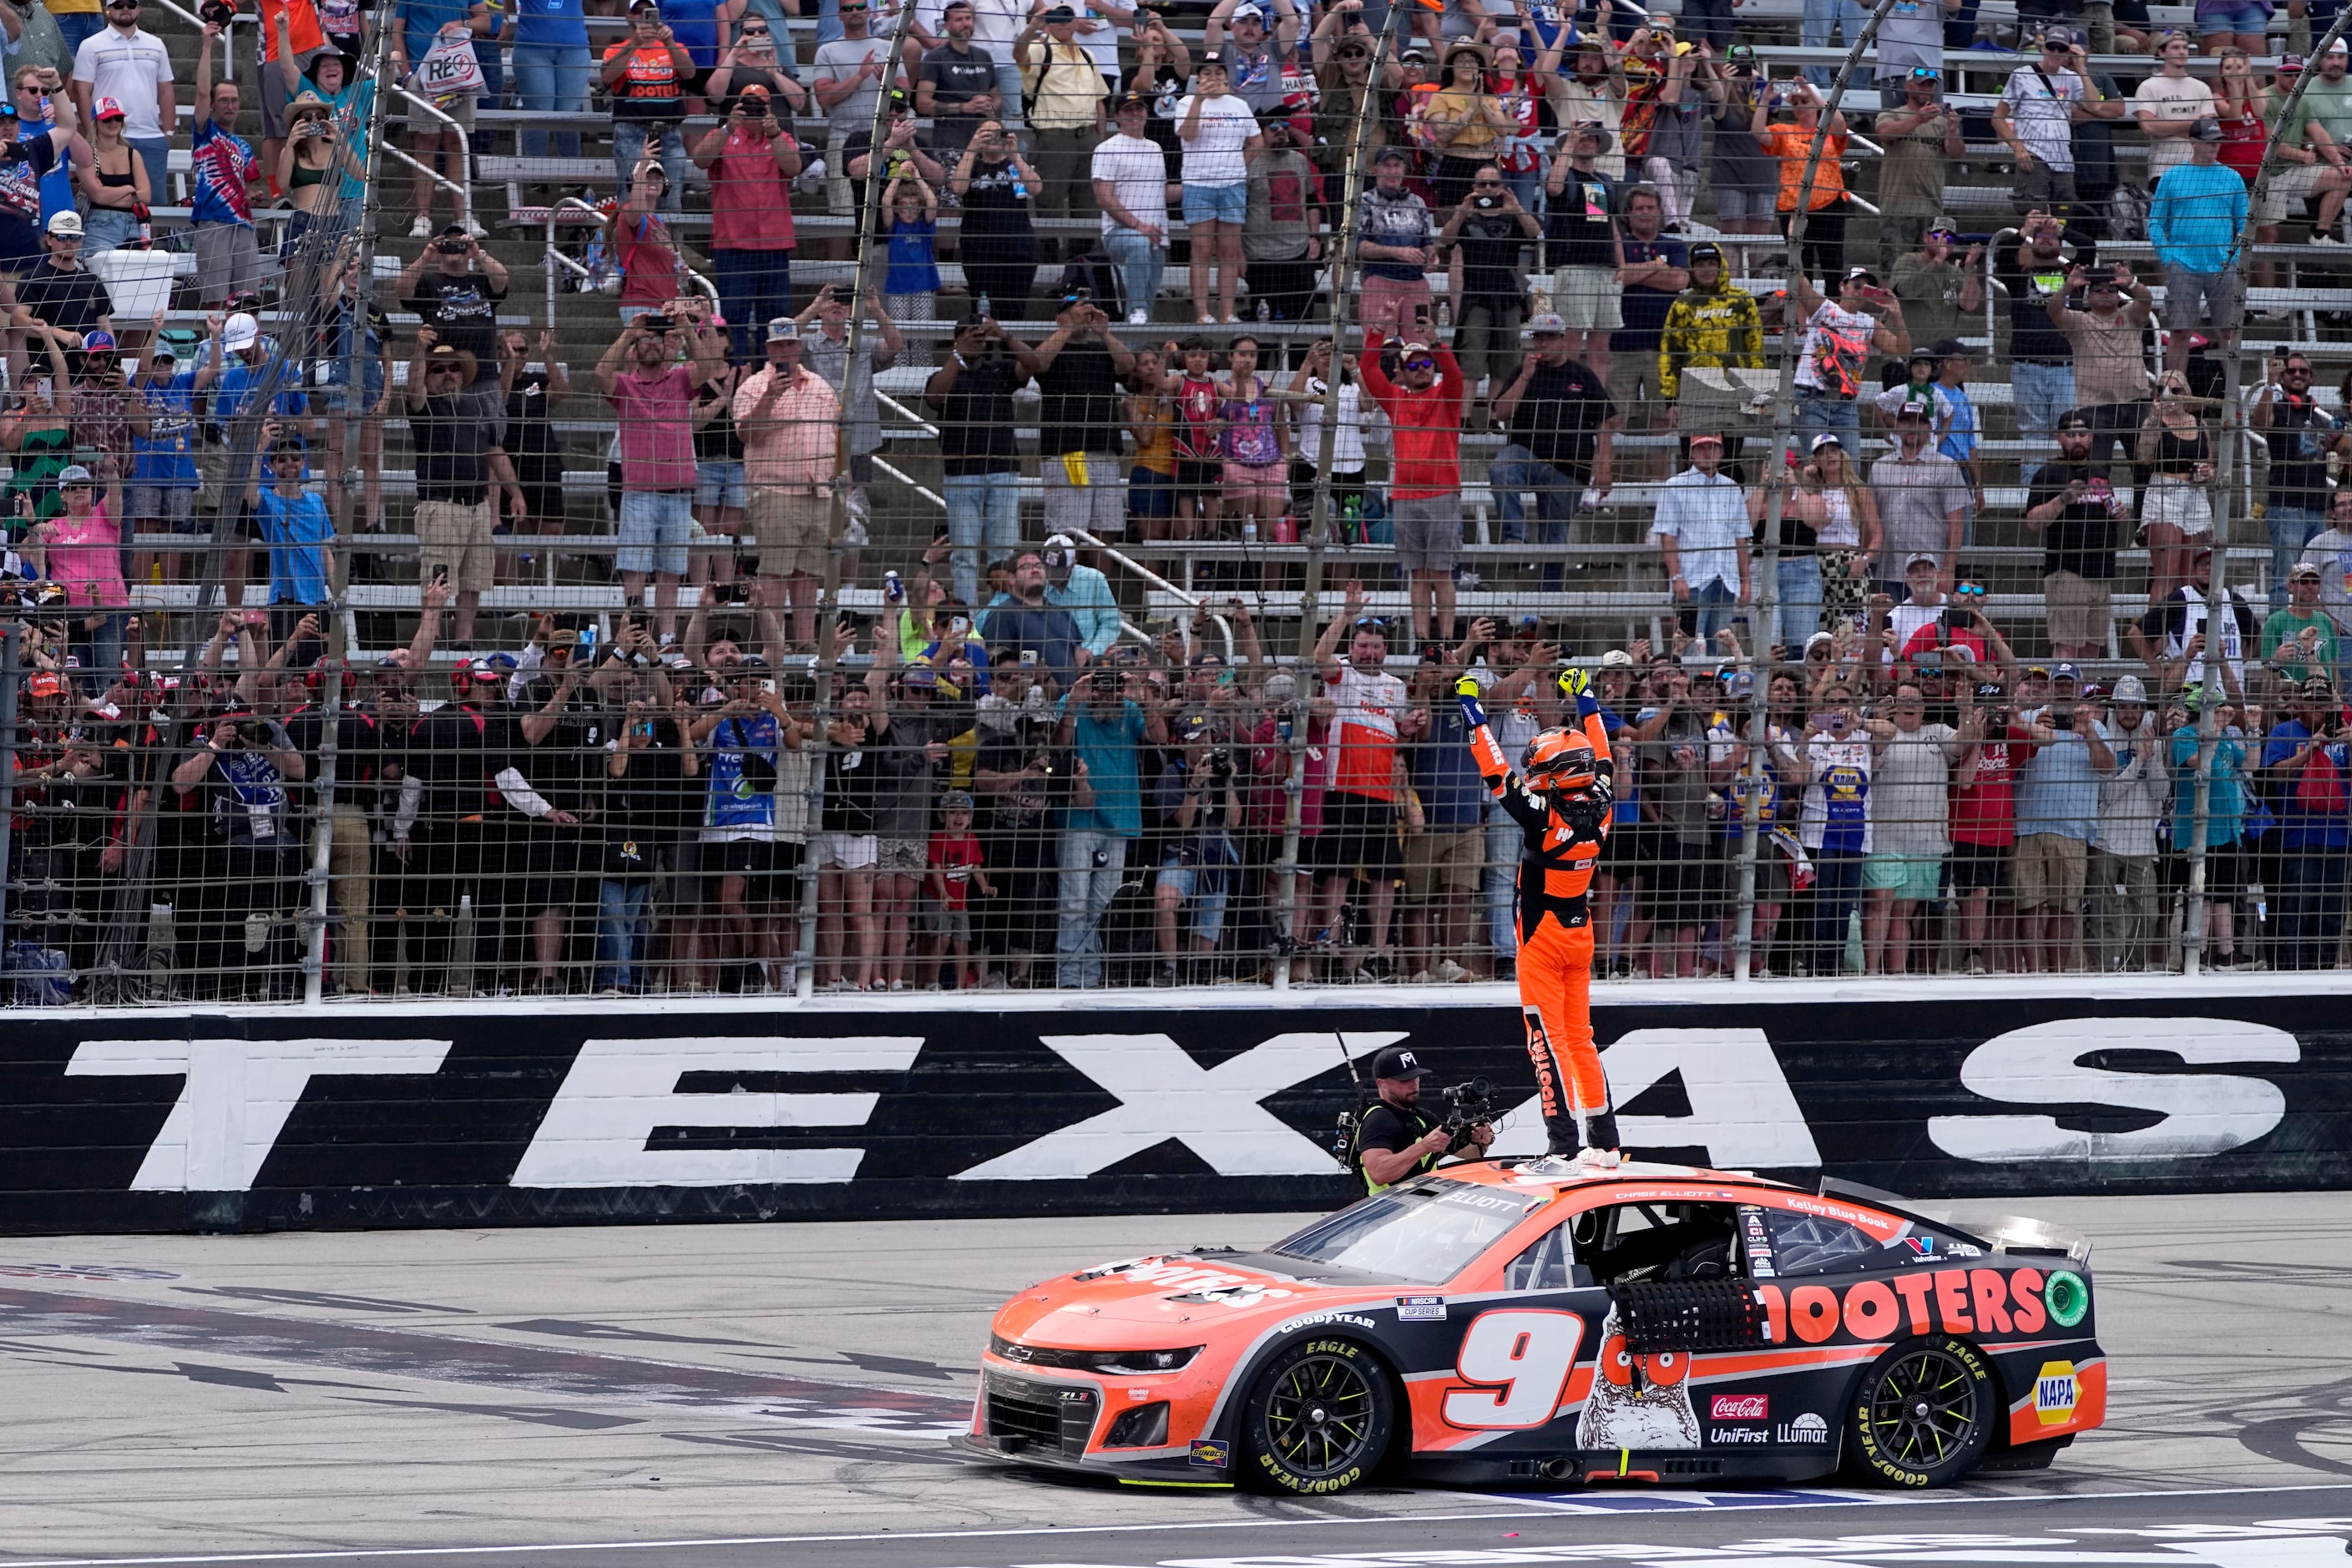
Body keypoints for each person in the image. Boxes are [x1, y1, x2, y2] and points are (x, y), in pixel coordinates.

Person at [1458, 664, 1616, 1165]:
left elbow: (1496, 772)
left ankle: (1563, 1145)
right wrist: (1586, 697)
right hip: (1580, 931)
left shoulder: (1543, 816)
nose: (1533, 773)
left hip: (1541, 940)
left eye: (1540, 767)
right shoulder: (1605, 801)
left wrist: (1471, 708)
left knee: (1543, 1042)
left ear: (1558, 775)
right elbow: (1603, 752)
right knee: (1581, 1038)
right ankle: (1605, 1143)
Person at [599, 311, 728, 646]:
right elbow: (601, 373)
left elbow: (707, 365)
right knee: (635, 569)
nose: (653, 343)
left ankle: (669, 636)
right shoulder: (626, 385)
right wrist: (629, 332)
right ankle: (634, 631)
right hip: (640, 489)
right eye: (647, 338)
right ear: (636, 347)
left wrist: (686, 329)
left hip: (679, 490)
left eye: (658, 338)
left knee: (672, 569)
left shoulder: (681, 379)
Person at [1055, 660, 1169, 987]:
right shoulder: (1072, 701)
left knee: (1103, 906)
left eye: (1115, 686)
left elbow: (1159, 736)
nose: (1108, 693)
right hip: (1079, 816)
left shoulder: (1131, 707)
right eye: (1101, 685)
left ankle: (1091, 978)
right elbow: (1059, 742)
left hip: (1121, 817)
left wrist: (1143, 697)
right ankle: (1067, 978)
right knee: (1073, 901)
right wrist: (1076, 699)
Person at [733, 316, 841, 655]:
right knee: (775, 571)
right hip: (775, 490)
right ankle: (774, 643)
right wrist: (769, 397)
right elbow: (746, 434)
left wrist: (842, 478)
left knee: (808, 571)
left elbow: (836, 435)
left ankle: (806, 642)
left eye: (789, 344)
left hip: (820, 490)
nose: (784, 350)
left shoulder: (821, 387)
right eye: (777, 345)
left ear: (798, 346)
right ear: (768, 349)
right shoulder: (753, 386)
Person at [405, 336, 516, 647]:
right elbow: (413, 389)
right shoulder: (424, 406)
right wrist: (418, 351)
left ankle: (464, 638)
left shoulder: (474, 407)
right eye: (438, 369)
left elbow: (495, 448)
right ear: (428, 376)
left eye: (454, 368)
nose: (448, 373)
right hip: (441, 503)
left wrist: (515, 490)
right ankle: (432, 635)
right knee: (438, 577)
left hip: (478, 505)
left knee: (474, 578)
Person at [1359, 328, 1465, 645]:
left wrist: (1437, 343)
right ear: (1403, 374)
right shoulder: (1395, 399)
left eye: (1426, 364)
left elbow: (1457, 374)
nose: (1422, 369)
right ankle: (1422, 640)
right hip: (1404, 496)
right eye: (1414, 366)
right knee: (1417, 574)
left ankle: (1445, 639)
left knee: (1440, 573)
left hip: (1443, 493)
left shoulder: (1447, 396)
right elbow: (1368, 369)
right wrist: (1377, 332)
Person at [1491, 313, 1616, 574]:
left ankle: (1550, 607)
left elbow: (1606, 422)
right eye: (1539, 339)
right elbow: (1501, 413)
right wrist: (1525, 378)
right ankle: (1517, 538)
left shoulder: (1583, 375)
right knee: (1501, 468)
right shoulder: (1522, 371)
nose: (1543, 344)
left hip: (1569, 468)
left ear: (1563, 340)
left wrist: (1604, 467)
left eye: (1550, 338)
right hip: (1527, 454)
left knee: (1555, 540)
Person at [926, 314, 1037, 605]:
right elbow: (936, 397)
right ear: (957, 338)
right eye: (969, 336)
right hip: (961, 474)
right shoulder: (946, 373)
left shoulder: (998, 369)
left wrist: (1004, 335)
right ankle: (965, 621)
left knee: (1003, 555)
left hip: (1003, 470)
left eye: (980, 337)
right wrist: (957, 354)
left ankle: (1000, 617)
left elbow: (1034, 365)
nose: (976, 342)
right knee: (964, 554)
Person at [2013, 663, 2113, 973]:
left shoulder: (2096, 725)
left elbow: (2108, 768)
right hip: (2028, 825)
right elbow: (2010, 763)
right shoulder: (2030, 719)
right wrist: (2034, 731)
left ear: (2080, 687)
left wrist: (2090, 734)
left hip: (2073, 829)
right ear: (2051, 687)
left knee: (2064, 908)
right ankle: (2033, 972)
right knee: (2029, 906)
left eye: (2071, 684)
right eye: (2060, 683)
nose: (2065, 689)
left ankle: (2056, 972)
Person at [692, 85, 801, 362]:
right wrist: (729, 126)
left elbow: (793, 167)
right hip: (733, 246)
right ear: (737, 106)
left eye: (760, 107)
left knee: (776, 321)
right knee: (734, 320)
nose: (753, 113)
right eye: (748, 106)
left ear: (769, 109)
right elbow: (700, 158)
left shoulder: (781, 137)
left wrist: (774, 132)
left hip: (774, 245)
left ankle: (775, 384)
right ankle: (737, 385)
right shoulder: (724, 136)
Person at [1032, 292, 1136, 543]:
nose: (1084, 314)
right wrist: (1068, 328)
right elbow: (1037, 363)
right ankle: (1068, 580)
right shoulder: (1054, 348)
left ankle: (1100, 582)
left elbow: (1129, 365)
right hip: (1069, 452)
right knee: (1070, 528)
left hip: (1105, 449)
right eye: (1076, 309)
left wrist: (1104, 332)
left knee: (1107, 525)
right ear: (1060, 317)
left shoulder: (1101, 348)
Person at [2026, 411, 2127, 660]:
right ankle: (2063, 699)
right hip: (2068, 571)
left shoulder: (2101, 473)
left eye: (2082, 434)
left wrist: (2118, 513)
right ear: (2059, 438)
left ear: (2091, 438)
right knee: (2066, 647)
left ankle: (2087, 700)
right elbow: (2032, 522)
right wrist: (2062, 499)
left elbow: (2105, 509)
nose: (2078, 440)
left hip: (2101, 571)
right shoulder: (2048, 473)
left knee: (2093, 648)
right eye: (2071, 435)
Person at [2250, 354, 2348, 608]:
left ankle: (2309, 638)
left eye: (2303, 371)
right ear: (2283, 376)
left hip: (2317, 509)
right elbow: (2260, 422)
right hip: (2287, 507)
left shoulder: (2316, 417)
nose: (2297, 375)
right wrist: (2270, 382)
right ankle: (2280, 641)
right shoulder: (2278, 408)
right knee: (2285, 580)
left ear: (2311, 377)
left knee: (2314, 582)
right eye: (2292, 370)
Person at [2151, 119, 2248, 374]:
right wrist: (2168, 257)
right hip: (2183, 263)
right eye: (2208, 142)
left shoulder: (2233, 178)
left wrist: (2234, 258)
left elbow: (2245, 225)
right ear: (2193, 142)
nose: (2214, 147)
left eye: (2217, 142)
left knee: (2228, 331)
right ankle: (2175, 393)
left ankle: (2231, 395)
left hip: (2223, 263)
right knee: (2180, 331)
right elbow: (2156, 223)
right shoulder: (2172, 177)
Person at [1995, 28, 2117, 224]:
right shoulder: (2021, 75)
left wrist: (2082, 68)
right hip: (2033, 156)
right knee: (2034, 217)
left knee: (2062, 221)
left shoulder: (2072, 77)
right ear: (2043, 48)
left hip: (2063, 160)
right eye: (2052, 47)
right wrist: (2018, 148)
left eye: (2062, 48)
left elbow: (2095, 105)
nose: (2056, 53)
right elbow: (1998, 117)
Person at [1789, 265, 1910, 455]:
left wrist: (1897, 315)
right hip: (1811, 398)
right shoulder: (1824, 309)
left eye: (1866, 288)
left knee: (1851, 467)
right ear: (1842, 287)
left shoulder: (1868, 323)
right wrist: (1794, 243)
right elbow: (1799, 280)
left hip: (1845, 404)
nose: (1860, 291)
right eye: (1856, 285)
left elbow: (1902, 349)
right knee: (1816, 463)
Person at [1177, 56, 1262, 325]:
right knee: (1201, 250)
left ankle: (1228, 313)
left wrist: (1239, 165)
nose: (1212, 77)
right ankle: (1202, 312)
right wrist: (1199, 101)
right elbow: (1187, 135)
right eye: (1206, 72)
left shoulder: (1239, 105)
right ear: (1198, 78)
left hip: (1232, 185)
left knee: (1229, 251)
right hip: (1198, 184)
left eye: (1217, 71)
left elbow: (1257, 141)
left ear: (1226, 77)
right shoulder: (1185, 103)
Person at [2046, 259, 2153, 470]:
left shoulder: (2130, 314)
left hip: (2136, 403)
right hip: (2095, 407)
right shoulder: (2079, 321)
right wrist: (2068, 286)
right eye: (2097, 289)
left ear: (2118, 295)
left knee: (2144, 467)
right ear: (2089, 296)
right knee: (2097, 468)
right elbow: (2053, 311)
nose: (2104, 292)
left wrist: (2130, 282)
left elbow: (2147, 300)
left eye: (2110, 289)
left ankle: (2144, 505)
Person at [2092, 673, 2167, 973]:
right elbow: (2106, 793)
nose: (2129, 713)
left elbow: (2162, 793)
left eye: (2134, 706)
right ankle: (2103, 969)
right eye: (2123, 706)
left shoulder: (2152, 736)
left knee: (2148, 913)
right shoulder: (2103, 734)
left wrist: (2151, 759)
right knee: (2103, 911)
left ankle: (2133, 968)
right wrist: (2137, 762)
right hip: (2105, 839)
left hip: (2142, 842)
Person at [1348, 1043, 1495, 1192]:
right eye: (1404, 1080)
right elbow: (1378, 1173)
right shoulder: (1377, 1119)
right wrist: (1424, 1146)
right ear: (1382, 1084)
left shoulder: (1422, 1117)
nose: (1413, 1085)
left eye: (1416, 1077)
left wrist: (1481, 1140)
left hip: (1421, 1209)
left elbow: (1469, 1154)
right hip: (1387, 1211)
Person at [1651, 431, 1750, 642]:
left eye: (1713, 447)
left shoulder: (1732, 488)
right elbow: (1667, 536)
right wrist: (1676, 577)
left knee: (1719, 645)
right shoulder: (1674, 486)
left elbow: (1741, 537)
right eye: (1701, 448)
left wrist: (1745, 580)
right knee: (1687, 644)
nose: (1708, 453)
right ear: (1692, 453)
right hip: (1691, 581)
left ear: (1721, 452)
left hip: (1725, 580)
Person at [1656, 240, 1763, 434]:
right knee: (1696, 455)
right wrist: (1671, 402)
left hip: (1736, 390)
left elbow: (1755, 350)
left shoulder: (1743, 301)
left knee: (1731, 459)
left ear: (1721, 265)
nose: (1706, 270)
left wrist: (1758, 393)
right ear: (1692, 268)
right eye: (1700, 265)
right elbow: (1671, 356)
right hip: (1694, 392)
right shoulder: (1682, 305)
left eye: (1712, 264)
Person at [69, 0, 169, 205]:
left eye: (131, 5)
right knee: (106, 204)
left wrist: (168, 133)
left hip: (151, 137)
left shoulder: (156, 44)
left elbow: (166, 90)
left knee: (154, 208)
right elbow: (81, 92)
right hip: (109, 136)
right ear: (108, 11)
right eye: (119, 5)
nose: (125, 9)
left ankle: (150, 240)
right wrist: (91, 134)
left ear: (139, 9)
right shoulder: (91, 45)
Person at [1541, 122, 1623, 373]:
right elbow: (1553, 187)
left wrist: (1623, 265)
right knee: (1572, 344)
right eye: (1582, 137)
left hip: (1605, 270)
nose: (1587, 142)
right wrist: (1569, 142)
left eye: (1592, 138)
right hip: (1574, 268)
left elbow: (1611, 225)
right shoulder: (1565, 175)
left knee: (1601, 349)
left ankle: (1594, 405)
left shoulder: (1605, 181)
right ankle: (1568, 399)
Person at [1604, 184, 1687, 429]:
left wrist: (1632, 271)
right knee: (1613, 420)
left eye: (1650, 207)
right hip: (1620, 346)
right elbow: (1616, 280)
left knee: (1661, 422)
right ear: (1628, 214)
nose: (1645, 212)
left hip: (1663, 348)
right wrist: (1657, 266)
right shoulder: (1618, 245)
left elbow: (1680, 281)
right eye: (1639, 208)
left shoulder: (1676, 246)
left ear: (1660, 212)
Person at [1869, 397, 1970, 597]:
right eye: (1906, 422)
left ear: (1929, 427)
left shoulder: (1946, 466)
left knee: (1928, 628)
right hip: (1887, 571)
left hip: (1928, 573)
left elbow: (1957, 523)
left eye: (1918, 423)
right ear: (1897, 426)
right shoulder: (1879, 467)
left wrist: (1948, 570)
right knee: (1889, 628)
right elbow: (1869, 520)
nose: (1912, 428)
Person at [1018, 4, 1107, 224]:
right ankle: (1048, 258)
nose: (1064, 23)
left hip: (1088, 138)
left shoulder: (1088, 55)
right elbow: (1018, 54)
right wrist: (1033, 27)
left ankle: (1084, 258)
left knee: (1088, 207)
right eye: (1057, 19)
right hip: (1054, 137)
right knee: (1050, 204)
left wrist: (1100, 142)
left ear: (1076, 22)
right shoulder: (1040, 49)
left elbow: (1099, 101)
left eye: (1068, 19)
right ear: (1049, 23)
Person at [1753, 79, 1852, 280]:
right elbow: (1758, 132)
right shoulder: (1785, 131)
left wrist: (1811, 91)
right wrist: (1764, 100)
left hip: (1829, 205)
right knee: (1800, 270)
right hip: (1793, 209)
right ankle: (1800, 311)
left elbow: (1840, 123)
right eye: (1795, 103)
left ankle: (1832, 309)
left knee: (1833, 266)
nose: (1799, 107)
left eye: (1804, 101)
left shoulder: (1829, 130)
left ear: (1816, 103)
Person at [949, 119, 1043, 323]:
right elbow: (957, 188)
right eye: (985, 134)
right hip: (980, 250)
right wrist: (972, 149)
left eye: (996, 134)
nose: (992, 138)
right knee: (983, 309)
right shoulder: (970, 164)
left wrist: (1015, 155)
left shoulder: (1014, 165)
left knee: (1014, 309)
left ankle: (1010, 353)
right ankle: (983, 354)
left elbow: (1036, 189)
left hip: (1018, 249)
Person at [399, 226, 511, 391]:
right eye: (449, 243)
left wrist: (477, 253)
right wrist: (425, 258)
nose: (454, 247)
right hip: (442, 376)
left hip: (485, 376)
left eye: (459, 242)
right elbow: (402, 290)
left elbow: (502, 280)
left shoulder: (482, 279)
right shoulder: (428, 281)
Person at [812, 0, 893, 224]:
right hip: (842, 141)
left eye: (859, 6)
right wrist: (858, 77)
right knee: (842, 221)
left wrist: (887, 83)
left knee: (889, 216)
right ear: (838, 15)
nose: (854, 11)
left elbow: (904, 95)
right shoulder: (827, 51)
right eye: (847, 8)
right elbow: (824, 98)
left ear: (869, 11)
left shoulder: (888, 47)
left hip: (886, 140)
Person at [1873, 69, 1962, 269]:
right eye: (1921, 84)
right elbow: (1884, 133)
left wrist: (1953, 131)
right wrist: (1917, 119)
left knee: (1930, 269)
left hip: (1931, 209)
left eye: (1930, 85)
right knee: (1892, 271)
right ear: (1908, 86)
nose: (1926, 88)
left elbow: (1956, 154)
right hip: (1897, 208)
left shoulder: (1941, 121)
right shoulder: (1892, 114)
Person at [1242, 113, 1324, 324]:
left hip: (1298, 255)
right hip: (1261, 258)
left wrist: (1315, 237)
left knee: (1302, 323)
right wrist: (1238, 253)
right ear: (1261, 134)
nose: (1281, 131)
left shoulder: (1299, 161)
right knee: (1263, 325)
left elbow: (1312, 200)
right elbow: (1238, 212)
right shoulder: (1249, 164)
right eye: (1273, 128)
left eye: (1284, 125)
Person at [1092, 92, 1167, 325]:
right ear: (1117, 117)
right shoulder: (1107, 148)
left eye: (1139, 109)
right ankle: (1136, 308)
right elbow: (1103, 197)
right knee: (1138, 244)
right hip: (1120, 235)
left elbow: (1162, 192)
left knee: (1146, 313)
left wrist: (1198, 187)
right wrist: (1139, 227)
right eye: (1128, 110)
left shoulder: (1156, 148)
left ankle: (1134, 354)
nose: (1135, 114)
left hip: (1156, 238)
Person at [1358, 144, 1436, 336]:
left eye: (1397, 165)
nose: (1393, 171)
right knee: (1382, 347)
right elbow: (1357, 246)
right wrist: (1397, 252)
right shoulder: (1365, 201)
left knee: (1419, 346)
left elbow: (1426, 241)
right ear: (1375, 169)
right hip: (1380, 281)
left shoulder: (1417, 202)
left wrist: (1432, 256)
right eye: (1387, 166)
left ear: (1404, 169)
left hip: (1416, 284)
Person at [918, 0, 1004, 160]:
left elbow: (997, 98)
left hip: (987, 144)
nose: (965, 24)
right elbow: (922, 104)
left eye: (968, 19)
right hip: (951, 145)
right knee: (956, 186)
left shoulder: (983, 56)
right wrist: (966, 107)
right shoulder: (935, 58)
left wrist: (988, 107)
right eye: (959, 20)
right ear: (947, 26)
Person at [2136, 32, 2218, 189]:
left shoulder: (2201, 87)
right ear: (2161, 52)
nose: (2182, 52)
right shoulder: (2149, 86)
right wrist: (2191, 124)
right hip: (2162, 168)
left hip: (2199, 168)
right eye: (2175, 47)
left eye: (2185, 47)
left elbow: (2207, 131)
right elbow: (2148, 127)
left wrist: (2165, 127)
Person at [2263, 559, 2341, 685]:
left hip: (2323, 699)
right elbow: (2267, 673)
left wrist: (2339, 701)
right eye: (2303, 582)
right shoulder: (2275, 621)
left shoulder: (2326, 621)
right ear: (2291, 586)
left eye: (2315, 582)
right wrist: (2276, 661)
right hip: (2291, 699)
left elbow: (2333, 668)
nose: (2310, 586)